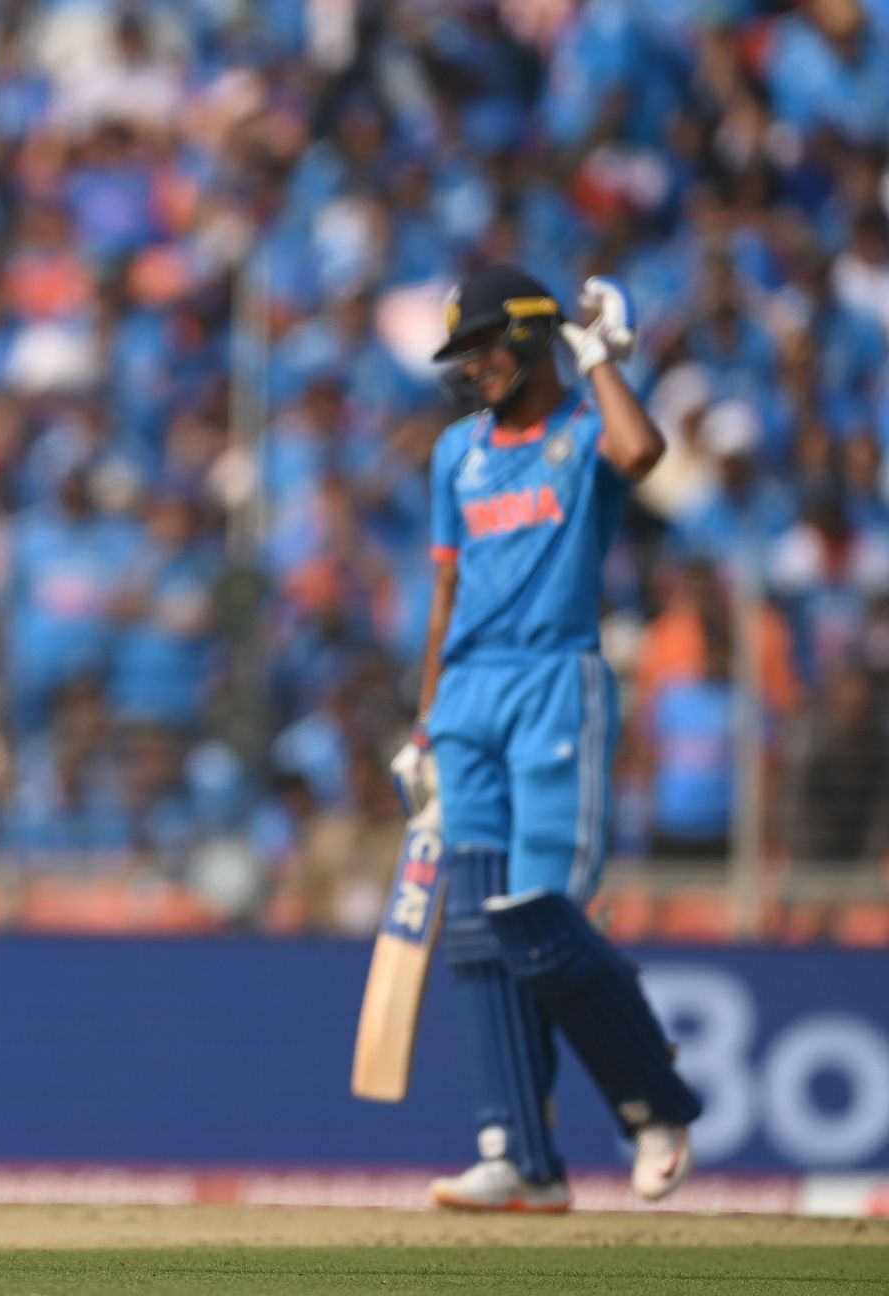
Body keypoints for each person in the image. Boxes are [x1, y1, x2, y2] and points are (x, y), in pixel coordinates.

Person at [391, 265, 702, 1212]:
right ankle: (519, 1157)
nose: (473, 367)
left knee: (538, 915)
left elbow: (645, 453)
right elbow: (446, 591)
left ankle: (656, 1101)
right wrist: (426, 718)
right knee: (481, 935)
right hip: (467, 700)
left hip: (554, 682)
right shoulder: (457, 453)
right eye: (463, 353)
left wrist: (599, 355)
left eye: (487, 347)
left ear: (533, 342)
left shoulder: (583, 434)